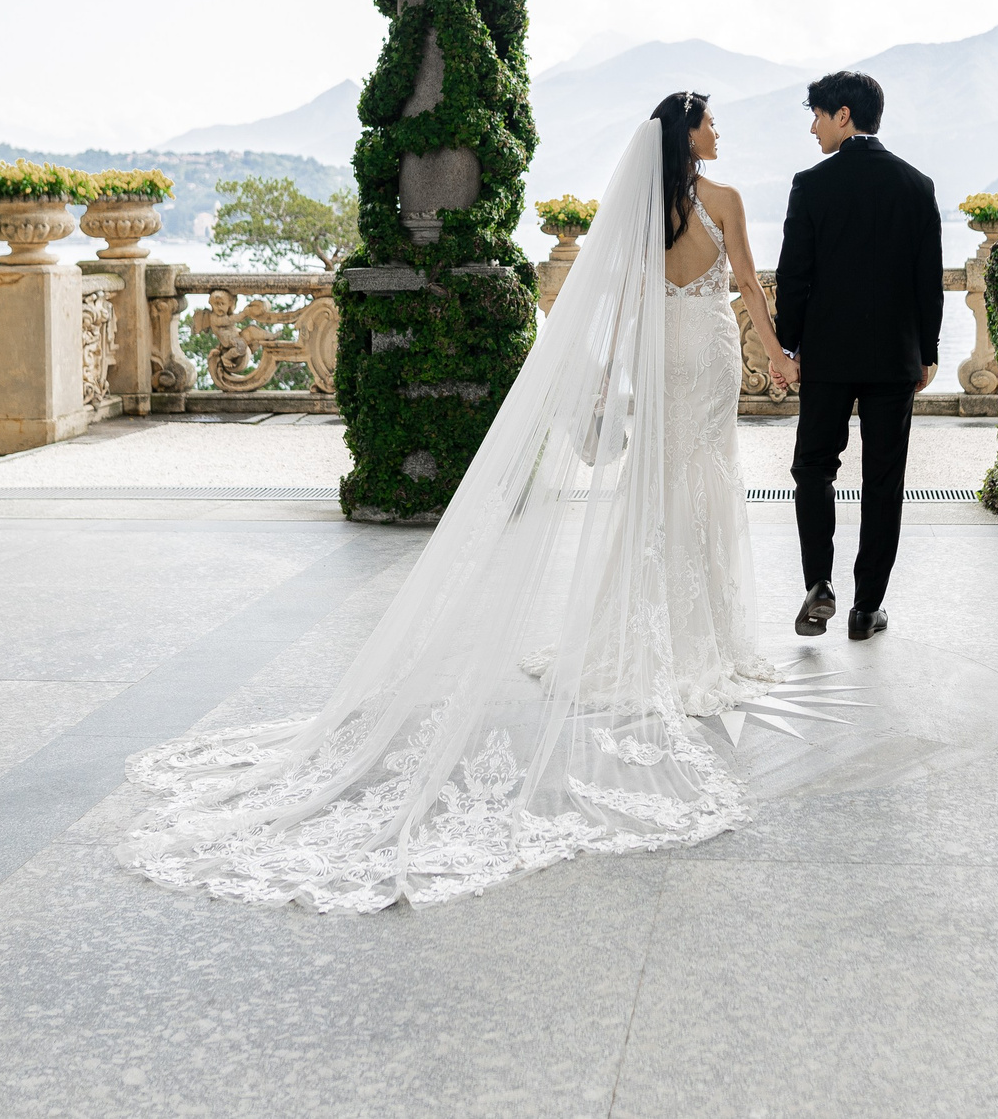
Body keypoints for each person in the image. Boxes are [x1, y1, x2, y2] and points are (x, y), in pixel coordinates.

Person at [116, 93, 788, 912]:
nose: (719, 131)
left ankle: (638, 630)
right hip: (711, 347)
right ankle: (705, 636)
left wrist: (607, 384)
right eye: (710, 121)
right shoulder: (726, 203)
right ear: (688, 134)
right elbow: (748, 281)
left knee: (657, 484)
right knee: (706, 475)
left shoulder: (646, 210)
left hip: (663, 354)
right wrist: (780, 354)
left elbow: (619, 307)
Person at [773, 70, 943, 643]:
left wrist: (787, 345)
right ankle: (866, 609)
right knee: (884, 480)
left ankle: (818, 583)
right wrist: (929, 352)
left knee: (813, 468)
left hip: (827, 356)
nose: (812, 126)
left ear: (843, 114)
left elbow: (795, 276)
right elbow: (929, 282)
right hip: (895, 357)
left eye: (817, 114)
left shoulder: (811, 185)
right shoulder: (917, 187)